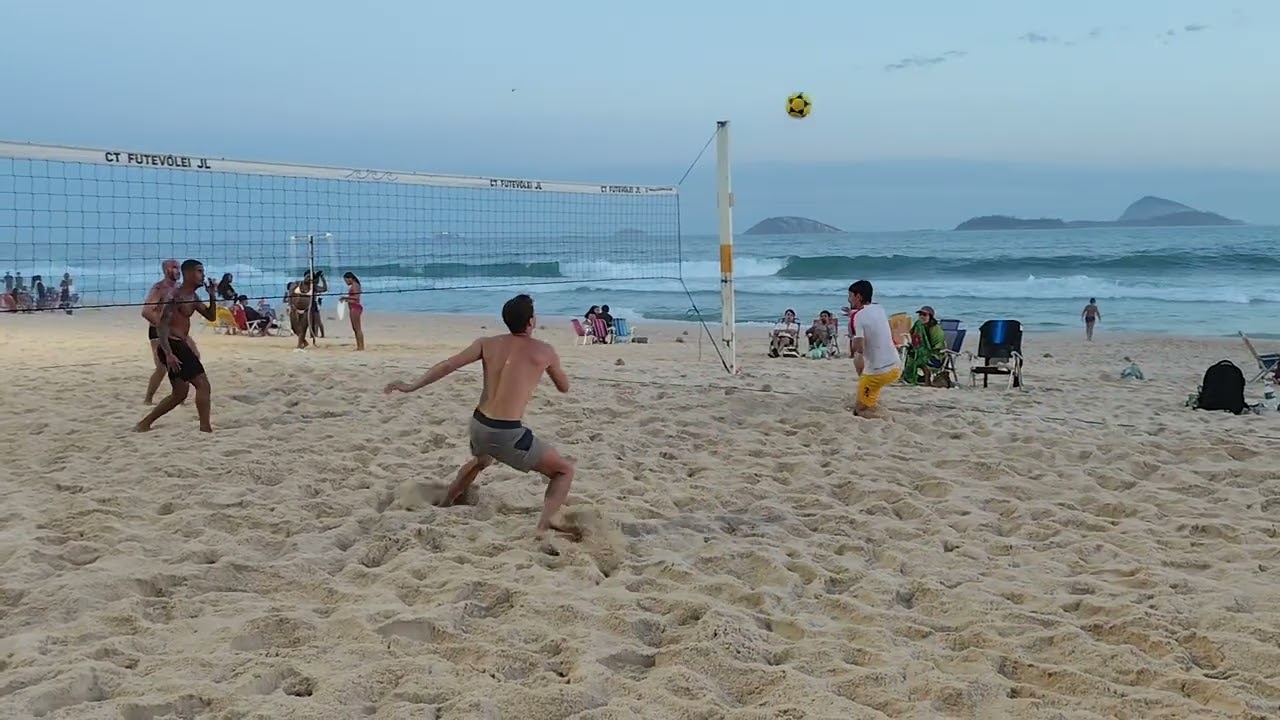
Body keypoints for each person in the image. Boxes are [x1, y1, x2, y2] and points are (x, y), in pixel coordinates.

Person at [383, 294, 576, 540]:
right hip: (508, 434)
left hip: (479, 425)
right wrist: (549, 366)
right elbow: (564, 387)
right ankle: (543, 527)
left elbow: (447, 365)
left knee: (482, 459)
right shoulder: (544, 350)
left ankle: (447, 501)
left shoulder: (486, 343)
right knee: (564, 471)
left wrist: (410, 386)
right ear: (531, 322)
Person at [135, 259, 218, 433]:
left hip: (179, 344)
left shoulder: (193, 297)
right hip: (173, 345)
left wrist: (212, 295)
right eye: (199, 271)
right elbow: (162, 325)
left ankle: (144, 423)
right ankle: (205, 428)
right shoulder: (174, 296)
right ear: (188, 274)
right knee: (203, 385)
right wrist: (168, 353)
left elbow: (211, 317)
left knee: (179, 394)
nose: (203, 275)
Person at [847, 280, 901, 417]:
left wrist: (851, 331)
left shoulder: (858, 317)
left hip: (878, 372)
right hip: (896, 366)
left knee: (859, 411)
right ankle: (869, 399)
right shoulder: (879, 308)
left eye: (850, 296)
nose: (848, 299)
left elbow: (858, 348)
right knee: (869, 394)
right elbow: (870, 320)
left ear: (858, 297)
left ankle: (884, 417)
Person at [141, 259, 183, 404]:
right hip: (157, 331)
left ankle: (180, 397)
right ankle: (148, 399)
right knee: (162, 367)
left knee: (181, 363)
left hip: (175, 332)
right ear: (166, 270)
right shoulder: (159, 288)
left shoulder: (179, 288)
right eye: (174, 267)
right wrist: (162, 326)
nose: (178, 270)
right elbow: (146, 311)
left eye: (179, 267)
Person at [339, 272, 365, 351]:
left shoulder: (355, 285)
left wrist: (345, 297)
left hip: (355, 307)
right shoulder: (353, 285)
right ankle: (359, 346)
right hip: (352, 307)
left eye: (346, 280)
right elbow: (353, 297)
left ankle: (361, 347)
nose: (346, 282)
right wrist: (346, 299)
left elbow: (356, 297)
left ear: (351, 278)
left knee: (358, 328)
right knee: (355, 328)